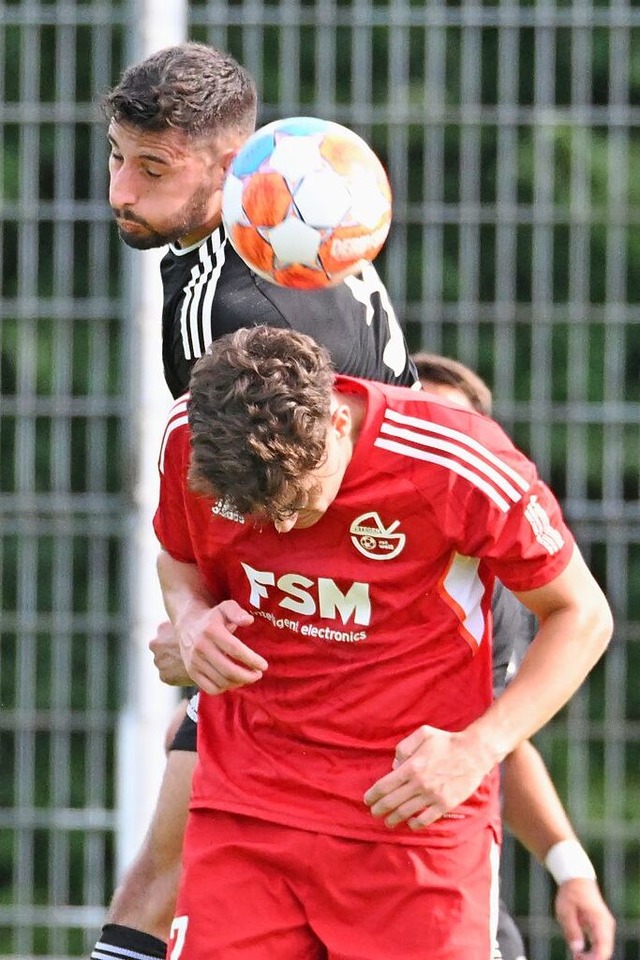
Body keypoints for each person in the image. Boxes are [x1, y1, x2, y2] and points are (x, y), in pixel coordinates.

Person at [92, 39, 418, 960]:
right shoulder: (298, 197)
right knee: (165, 878)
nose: (121, 191)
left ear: (230, 163)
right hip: (379, 588)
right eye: (117, 155)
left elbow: (253, 498)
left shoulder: (222, 311)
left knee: (197, 885)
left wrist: (196, 619)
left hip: (362, 620)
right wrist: (196, 613)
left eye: (153, 169)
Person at [153, 325, 613, 960]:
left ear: (339, 422)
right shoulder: (191, 435)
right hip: (249, 807)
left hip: (411, 818)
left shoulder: (458, 460)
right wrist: (189, 616)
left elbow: (583, 615)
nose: (284, 525)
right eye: (256, 510)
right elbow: (177, 560)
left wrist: (478, 748)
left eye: (300, 499)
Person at [412, 353, 615, 960]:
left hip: (444, 871)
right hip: (303, 858)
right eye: (420, 426)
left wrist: (570, 867)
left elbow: (500, 734)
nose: (440, 454)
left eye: (457, 435)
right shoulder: (307, 546)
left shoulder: (499, 593)